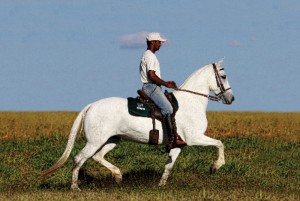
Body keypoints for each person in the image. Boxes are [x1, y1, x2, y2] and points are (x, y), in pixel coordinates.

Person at [139, 32, 186, 151]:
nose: (160, 44)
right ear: (153, 42)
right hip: (151, 87)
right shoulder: (150, 56)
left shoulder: (148, 55)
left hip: (152, 86)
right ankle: (172, 139)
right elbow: (152, 75)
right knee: (168, 109)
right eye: (159, 42)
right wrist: (166, 84)